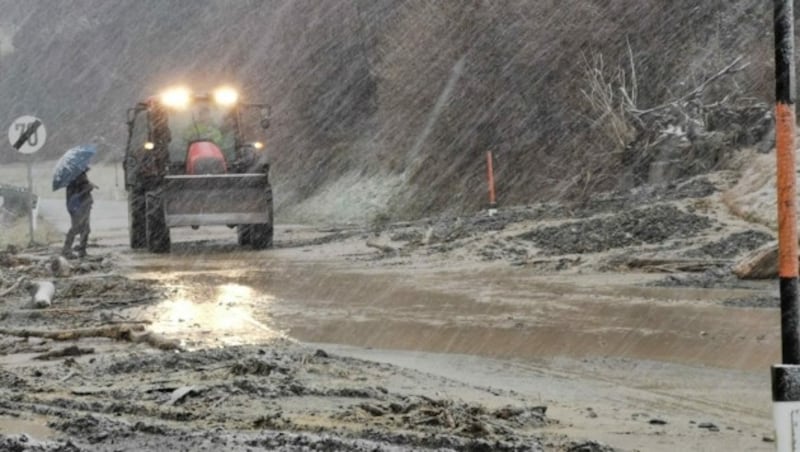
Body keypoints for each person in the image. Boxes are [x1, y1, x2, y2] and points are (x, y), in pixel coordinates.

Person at [62, 169, 97, 259]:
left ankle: (82, 251)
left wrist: (89, 186)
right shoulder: (77, 177)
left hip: (81, 206)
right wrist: (88, 189)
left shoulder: (78, 176)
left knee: (85, 228)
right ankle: (67, 250)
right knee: (77, 227)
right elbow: (77, 194)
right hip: (79, 207)